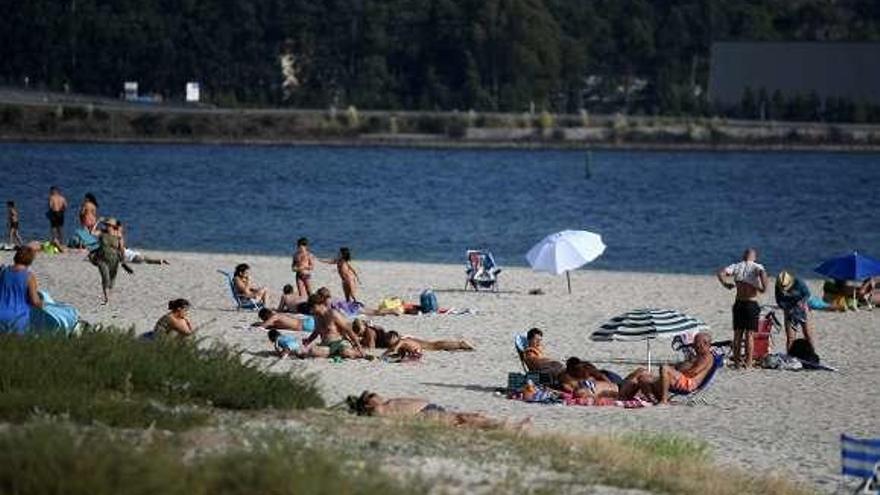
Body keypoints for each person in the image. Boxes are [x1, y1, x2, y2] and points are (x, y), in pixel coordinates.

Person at [347, 391, 530, 431]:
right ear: (368, 404)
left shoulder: (383, 404)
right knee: (464, 419)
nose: (376, 394)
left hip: (428, 409)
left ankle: (508, 426)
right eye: (371, 395)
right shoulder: (378, 410)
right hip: (424, 415)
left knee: (470, 417)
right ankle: (508, 426)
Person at [619, 332, 715, 404]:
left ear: (705, 344)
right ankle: (653, 400)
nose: (694, 345)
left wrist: (680, 369)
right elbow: (685, 367)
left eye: (696, 343)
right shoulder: (698, 356)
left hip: (689, 383)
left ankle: (664, 400)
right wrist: (680, 367)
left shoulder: (707, 357)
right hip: (682, 379)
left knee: (664, 368)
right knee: (643, 378)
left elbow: (694, 372)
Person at [717, 248, 768, 368]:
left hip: (739, 302)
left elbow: (720, 273)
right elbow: (763, 273)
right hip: (751, 303)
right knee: (749, 335)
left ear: (743, 256)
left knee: (737, 334)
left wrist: (725, 284)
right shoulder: (757, 266)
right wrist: (764, 288)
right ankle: (748, 363)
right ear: (754, 257)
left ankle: (737, 362)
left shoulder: (736, 266)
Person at [300, 292, 368, 359]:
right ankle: (334, 354)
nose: (312, 311)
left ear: (320, 305)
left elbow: (348, 329)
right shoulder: (317, 317)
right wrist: (308, 341)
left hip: (339, 343)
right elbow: (316, 331)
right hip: (326, 345)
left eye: (313, 307)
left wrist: (358, 345)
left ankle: (359, 354)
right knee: (313, 351)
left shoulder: (333, 314)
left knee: (345, 351)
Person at [0, 246, 43, 334]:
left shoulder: (3, 272)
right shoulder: (29, 276)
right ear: (30, 260)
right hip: (18, 317)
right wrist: (41, 303)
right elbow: (35, 301)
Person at [775, 271, 816, 351]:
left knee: (808, 334)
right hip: (789, 311)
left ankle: (812, 354)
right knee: (790, 338)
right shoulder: (779, 284)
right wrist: (786, 307)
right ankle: (790, 357)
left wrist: (802, 302)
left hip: (802, 310)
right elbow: (779, 300)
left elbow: (807, 294)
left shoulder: (799, 282)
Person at [91, 217, 127, 305]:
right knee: (105, 277)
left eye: (109, 225)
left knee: (112, 280)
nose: (107, 227)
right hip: (102, 258)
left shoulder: (118, 235)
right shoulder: (102, 233)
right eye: (106, 225)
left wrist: (123, 259)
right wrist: (98, 221)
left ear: (113, 226)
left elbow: (121, 248)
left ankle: (109, 296)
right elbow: (92, 232)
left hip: (114, 259)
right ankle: (106, 298)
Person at [381, 330, 474, 359]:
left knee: (436, 346)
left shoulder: (401, 341)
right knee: (437, 345)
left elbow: (393, 349)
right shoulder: (401, 340)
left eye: (390, 341)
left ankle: (460, 344)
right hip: (418, 345)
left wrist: (383, 355)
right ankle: (459, 345)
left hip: (421, 346)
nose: (389, 343)